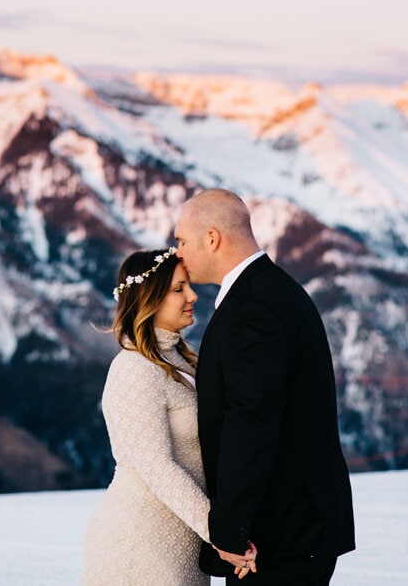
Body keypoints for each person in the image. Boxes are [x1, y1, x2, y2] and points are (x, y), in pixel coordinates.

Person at [174, 189, 355, 585]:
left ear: (212, 238)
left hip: (281, 535)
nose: (178, 253)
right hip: (294, 527)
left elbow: (251, 422)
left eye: (182, 241)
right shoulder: (269, 291)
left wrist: (230, 530)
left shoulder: (253, 306)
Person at [82, 246, 257, 585]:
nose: (193, 296)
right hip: (140, 539)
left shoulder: (182, 360)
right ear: (149, 298)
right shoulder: (134, 368)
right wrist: (219, 532)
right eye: (179, 289)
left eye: (188, 285)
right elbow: (156, 465)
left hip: (183, 538)